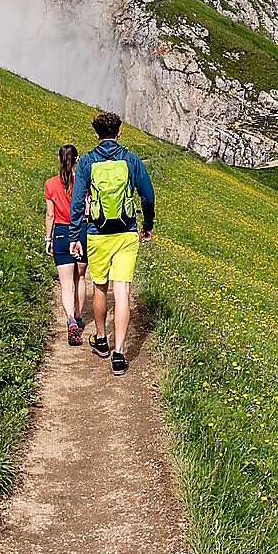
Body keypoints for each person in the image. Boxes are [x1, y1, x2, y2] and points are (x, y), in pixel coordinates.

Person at [71, 111, 155, 376]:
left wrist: (74, 236)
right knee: (122, 292)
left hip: (96, 233)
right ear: (119, 133)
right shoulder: (131, 160)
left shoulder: (86, 161)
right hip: (126, 233)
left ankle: (101, 339)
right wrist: (148, 224)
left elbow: (77, 202)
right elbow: (148, 196)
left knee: (99, 287)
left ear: (97, 134)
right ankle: (119, 354)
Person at [44, 144, 87, 345]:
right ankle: (79, 317)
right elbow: (87, 210)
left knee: (66, 284)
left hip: (61, 233)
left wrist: (48, 239)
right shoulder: (83, 183)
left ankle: (70, 319)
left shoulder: (50, 184)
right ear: (76, 160)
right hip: (82, 230)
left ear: (59, 160)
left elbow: (50, 215)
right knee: (80, 278)